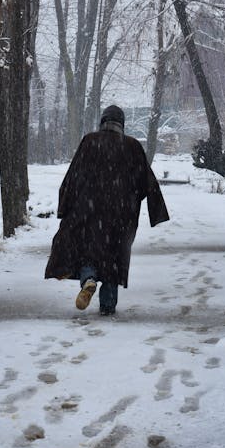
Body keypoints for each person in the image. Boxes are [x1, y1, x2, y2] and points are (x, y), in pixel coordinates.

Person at [45, 105, 169, 316]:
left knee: (88, 252)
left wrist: (65, 207)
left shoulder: (89, 142)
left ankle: (89, 279)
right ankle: (108, 306)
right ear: (122, 124)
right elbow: (148, 182)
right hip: (122, 215)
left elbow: (72, 177)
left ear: (102, 122)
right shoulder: (132, 146)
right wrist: (150, 208)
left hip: (89, 211)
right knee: (114, 259)